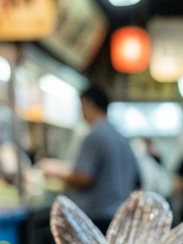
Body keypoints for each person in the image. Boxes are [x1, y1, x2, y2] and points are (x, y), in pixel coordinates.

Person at [46, 85, 139, 231]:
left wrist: (55, 172)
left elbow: (84, 177)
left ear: (89, 103)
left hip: (96, 216)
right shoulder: (122, 138)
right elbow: (138, 179)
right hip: (120, 215)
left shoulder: (94, 136)